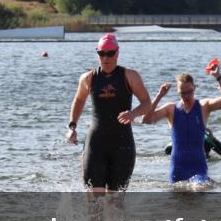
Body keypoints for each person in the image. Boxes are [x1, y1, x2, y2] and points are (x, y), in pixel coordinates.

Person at [67, 34, 165, 192]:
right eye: (101, 53)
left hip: (122, 145)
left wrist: (133, 114)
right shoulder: (88, 78)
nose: (105, 58)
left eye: (110, 53)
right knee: (93, 200)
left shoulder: (130, 76)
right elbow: (78, 101)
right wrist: (72, 126)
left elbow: (146, 103)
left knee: (115, 202)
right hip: (96, 144)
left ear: (117, 53)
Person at [141, 68, 221, 184]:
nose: (186, 96)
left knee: (200, 187)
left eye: (189, 91)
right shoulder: (171, 109)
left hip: (198, 167)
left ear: (194, 88)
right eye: (182, 93)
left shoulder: (203, 106)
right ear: (177, 91)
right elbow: (146, 119)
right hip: (177, 169)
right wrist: (160, 95)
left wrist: (218, 77)